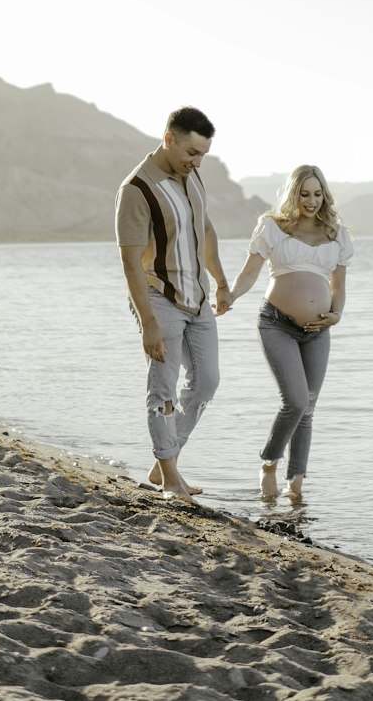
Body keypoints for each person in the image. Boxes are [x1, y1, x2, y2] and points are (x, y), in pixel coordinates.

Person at [114, 106, 232, 502]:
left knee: (206, 382)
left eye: (203, 154)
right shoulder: (137, 188)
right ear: (169, 139)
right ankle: (169, 478)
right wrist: (148, 323)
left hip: (197, 300)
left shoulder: (191, 175)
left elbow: (206, 229)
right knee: (163, 390)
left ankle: (166, 459)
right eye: (192, 153)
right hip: (159, 299)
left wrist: (220, 282)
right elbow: (129, 261)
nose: (197, 162)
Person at [230, 164, 353, 502]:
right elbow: (250, 272)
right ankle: (269, 462)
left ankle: (296, 484)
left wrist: (336, 316)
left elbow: (338, 286)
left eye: (317, 194)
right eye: (304, 193)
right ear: (293, 193)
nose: (311, 201)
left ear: (324, 196)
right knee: (295, 401)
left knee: (308, 408)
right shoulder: (273, 227)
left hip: (318, 331)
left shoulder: (336, 234)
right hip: (277, 323)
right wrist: (229, 296)